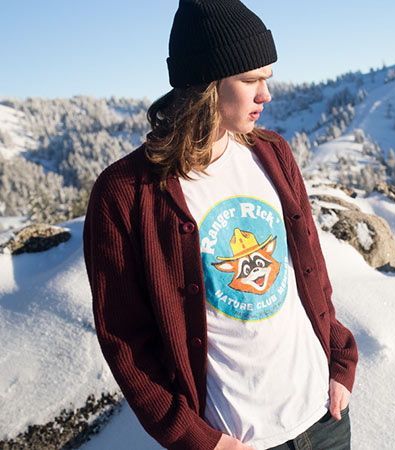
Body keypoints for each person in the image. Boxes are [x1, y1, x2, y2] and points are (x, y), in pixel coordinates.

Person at [83, 1, 358, 449]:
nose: (265, 94)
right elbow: (124, 339)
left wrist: (340, 360)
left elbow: (310, 271)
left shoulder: (274, 154)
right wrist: (199, 440)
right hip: (236, 439)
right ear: (205, 85)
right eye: (250, 80)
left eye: (267, 78)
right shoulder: (126, 193)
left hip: (323, 415)